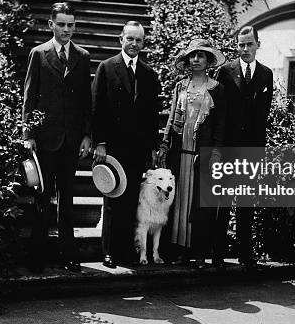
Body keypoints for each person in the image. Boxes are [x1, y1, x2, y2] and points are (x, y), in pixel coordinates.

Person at [22, 2, 92, 273]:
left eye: (71, 25)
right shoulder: (38, 54)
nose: (66, 29)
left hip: (71, 139)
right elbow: (29, 97)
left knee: (68, 198)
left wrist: (87, 134)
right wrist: (28, 133)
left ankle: (69, 254)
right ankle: (37, 256)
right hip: (45, 137)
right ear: (51, 24)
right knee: (42, 196)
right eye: (61, 24)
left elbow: (86, 99)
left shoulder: (82, 56)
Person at [92, 21, 161, 268]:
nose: (134, 44)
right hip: (112, 148)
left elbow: (153, 115)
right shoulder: (106, 68)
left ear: (143, 43)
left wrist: (153, 147)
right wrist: (99, 142)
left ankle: (126, 250)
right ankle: (109, 251)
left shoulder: (149, 74)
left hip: (137, 149)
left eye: (138, 40)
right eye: (129, 39)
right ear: (121, 39)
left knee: (131, 200)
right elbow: (96, 108)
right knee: (112, 201)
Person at [157, 38, 226, 269]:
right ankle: (177, 251)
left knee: (199, 205)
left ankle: (198, 253)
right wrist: (165, 144)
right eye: (192, 56)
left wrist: (215, 151)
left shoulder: (217, 88)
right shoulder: (180, 86)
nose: (196, 59)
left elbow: (219, 125)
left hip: (201, 154)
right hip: (180, 152)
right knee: (178, 202)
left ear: (208, 61)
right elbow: (170, 119)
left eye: (201, 55)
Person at [215, 25, 273, 271]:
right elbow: (218, 112)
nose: (245, 49)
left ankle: (245, 253)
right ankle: (217, 253)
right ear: (236, 46)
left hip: (252, 149)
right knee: (223, 203)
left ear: (258, 44)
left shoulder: (266, 74)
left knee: (247, 203)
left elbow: (264, 114)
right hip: (229, 147)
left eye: (250, 44)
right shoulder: (225, 72)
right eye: (241, 44)